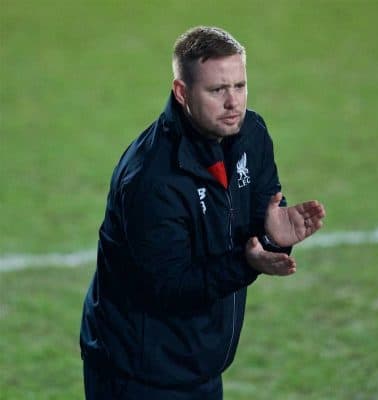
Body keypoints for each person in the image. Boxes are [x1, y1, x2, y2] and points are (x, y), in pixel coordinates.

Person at [79, 26, 326, 399]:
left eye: (239, 86)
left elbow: (261, 222)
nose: (234, 103)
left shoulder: (251, 135)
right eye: (217, 90)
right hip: (136, 372)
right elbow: (171, 287)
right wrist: (248, 264)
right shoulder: (152, 179)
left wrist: (276, 238)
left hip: (201, 362)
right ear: (182, 92)